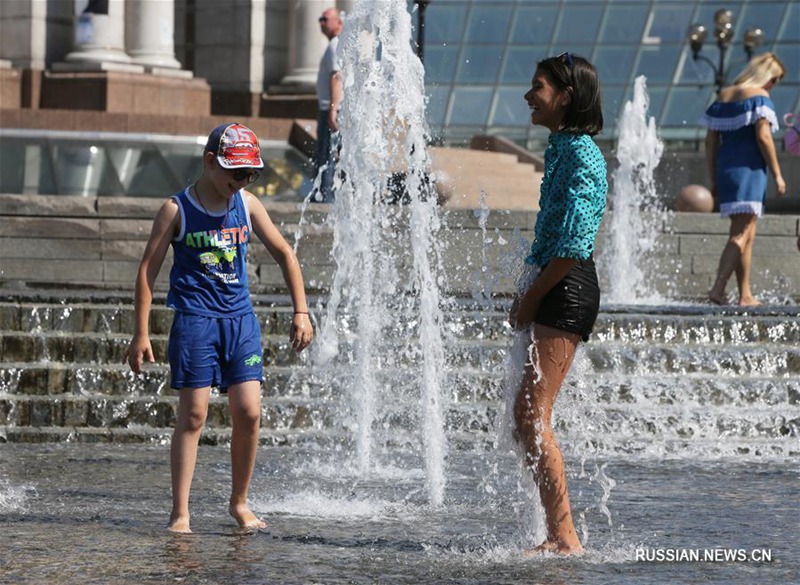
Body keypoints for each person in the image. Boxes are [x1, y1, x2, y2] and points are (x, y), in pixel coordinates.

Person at [124, 123, 314, 533]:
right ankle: (180, 513)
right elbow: (147, 271)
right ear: (210, 162)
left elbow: (285, 253)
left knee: (248, 412)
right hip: (195, 322)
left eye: (251, 175)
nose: (243, 182)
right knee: (193, 416)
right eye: (237, 174)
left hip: (240, 321)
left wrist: (301, 310)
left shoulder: (246, 204)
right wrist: (141, 333)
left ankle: (240, 503)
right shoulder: (177, 210)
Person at [508, 52, 607, 555]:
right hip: (556, 284)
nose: (529, 95)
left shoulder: (582, 154)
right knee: (526, 415)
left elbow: (574, 245)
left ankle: (564, 537)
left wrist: (531, 297)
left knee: (533, 416)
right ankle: (557, 531)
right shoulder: (563, 147)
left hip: (565, 288)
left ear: (565, 96)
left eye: (538, 86)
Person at [701, 52, 786, 306]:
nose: (773, 86)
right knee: (740, 235)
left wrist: (713, 176)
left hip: (727, 170)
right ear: (766, 76)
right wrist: (778, 174)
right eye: (775, 80)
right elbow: (763, 136)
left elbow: (709, 141)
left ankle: (745, 294)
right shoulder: (761, 98)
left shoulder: (724, 95)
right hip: (749, 171)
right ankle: (717, 289)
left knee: (747, 234)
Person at [313, 7, 343, 203]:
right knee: (329, 153)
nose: (322, 23)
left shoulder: (335, 44)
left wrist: (333, 109)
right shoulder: (338, 44)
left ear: (338, 22)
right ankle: (326, 195)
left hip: (329, 109)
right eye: (320, 19)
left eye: (325, 19)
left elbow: (337, 76)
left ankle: (324, 198)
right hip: (332, 108)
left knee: (326, 154)